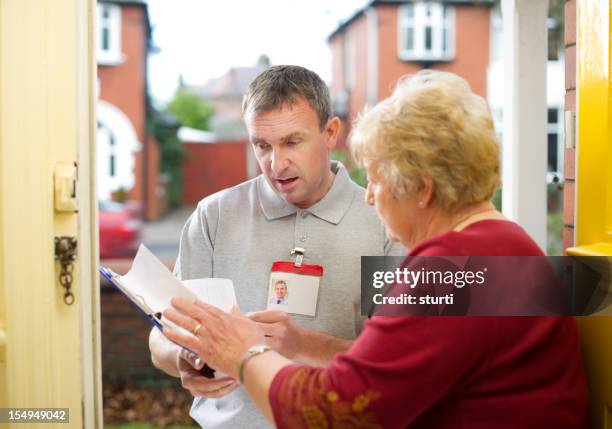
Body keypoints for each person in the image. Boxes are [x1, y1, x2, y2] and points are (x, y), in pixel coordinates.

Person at [162, 70, 589, 428]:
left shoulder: (448, 270)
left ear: (421, 188)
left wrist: (243, 353)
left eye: (379, 180)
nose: (369, 196)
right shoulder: (504, 248)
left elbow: (337, 408)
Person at [148, 65, 404, 428]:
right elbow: (163, 336)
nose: (276, 164)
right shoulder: (213, 217)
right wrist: (185, 360)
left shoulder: (384, 224)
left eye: (292, 142)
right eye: (262, 145)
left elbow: (399, 362)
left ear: (331, 132)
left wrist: (303, 344)